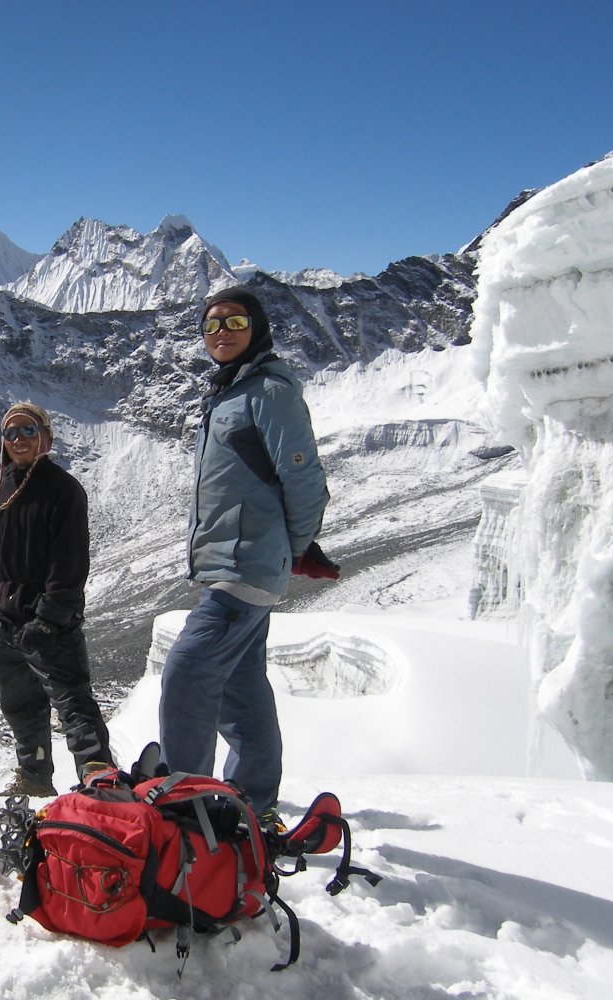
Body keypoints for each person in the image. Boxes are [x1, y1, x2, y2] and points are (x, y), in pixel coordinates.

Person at [158, 286, 338, 823]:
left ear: (256, 328)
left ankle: (185, 809)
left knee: (186, 673)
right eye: (212, 324)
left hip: (245, 564)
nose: (222, 332)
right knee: (241, 689)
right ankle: (253, 803)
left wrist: (295, 548)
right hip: (238, 560)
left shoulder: (269, 392)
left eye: (234, 322)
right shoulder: (230, 392)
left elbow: (304, 480)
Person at [0, 402, 113, 797]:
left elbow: (70, 562)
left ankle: (101, 787)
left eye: (28, 431)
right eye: (10, 433)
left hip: (51, 627)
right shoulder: (0, 490)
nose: (19, 440)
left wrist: (49, 618)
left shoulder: (64, 490)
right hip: (7, 622)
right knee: (21, 708)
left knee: (73, 706)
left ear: (45, 437)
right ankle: (34, 780)